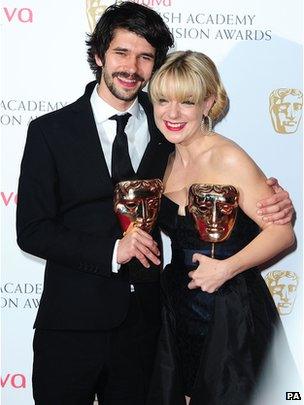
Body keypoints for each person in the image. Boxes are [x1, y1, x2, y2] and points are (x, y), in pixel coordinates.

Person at [16, 2, 292, 404]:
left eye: (145, 57)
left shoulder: (168, 123)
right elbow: (32, 230)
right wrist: (113, 250)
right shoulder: (50, 132)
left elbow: (224, 182)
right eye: (121, 53)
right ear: (98, 56)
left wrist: (275, 201)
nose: (132, 67)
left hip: (149, 329)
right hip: (71, 326)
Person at [146, 50, 297, 405]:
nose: (172, 113)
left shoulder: (228, 157)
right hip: (177, 308)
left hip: (230, 310)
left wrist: (225, 270)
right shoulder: (162, 161)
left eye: (187, 102)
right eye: (163, 100)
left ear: (208, 103)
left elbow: (281, 232)